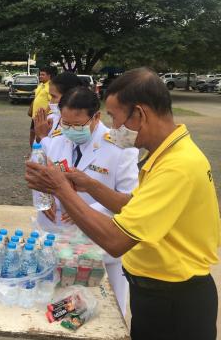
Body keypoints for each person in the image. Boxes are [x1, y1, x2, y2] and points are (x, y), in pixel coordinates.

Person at [26, 68, 220, 340]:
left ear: (139, 114)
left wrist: (60, 189)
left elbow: (116, 240)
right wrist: (89, 183)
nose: (113, 128)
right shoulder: (168, 155)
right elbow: (131, 204)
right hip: (158, 292)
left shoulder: (177, 167)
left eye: (115, 118)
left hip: (174, 299)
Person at [35, 86, 139, 315]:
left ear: (96, 117)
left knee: (106, 313)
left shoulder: (120, 148)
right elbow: (40, 176)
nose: (71, 130)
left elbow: (130, 200)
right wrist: (45, 201)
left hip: (100, 245)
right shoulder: (55, 140)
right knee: (63, 309)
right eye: (66, 123)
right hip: (60, 239)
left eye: (78, 125)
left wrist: (82, 209)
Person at [34, 72, 83, 149]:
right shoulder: (52, 117)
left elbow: (60, 155)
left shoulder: (80, 126)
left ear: (70, 96)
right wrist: (39, 134)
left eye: (54, 96)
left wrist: (43, 136)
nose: (51, 102)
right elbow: (38, 144)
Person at [29, 66, 57, 146]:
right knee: (32, 133)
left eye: (43, 75)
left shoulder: (51, 87)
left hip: (43, 116)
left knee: (39, 135)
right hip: (36, 115)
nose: (40, 76)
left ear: (49, 76)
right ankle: (32, 153)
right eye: (40, 74)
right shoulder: (41, 85)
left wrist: (45, 114)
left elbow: (52, 102)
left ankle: (38, 154)